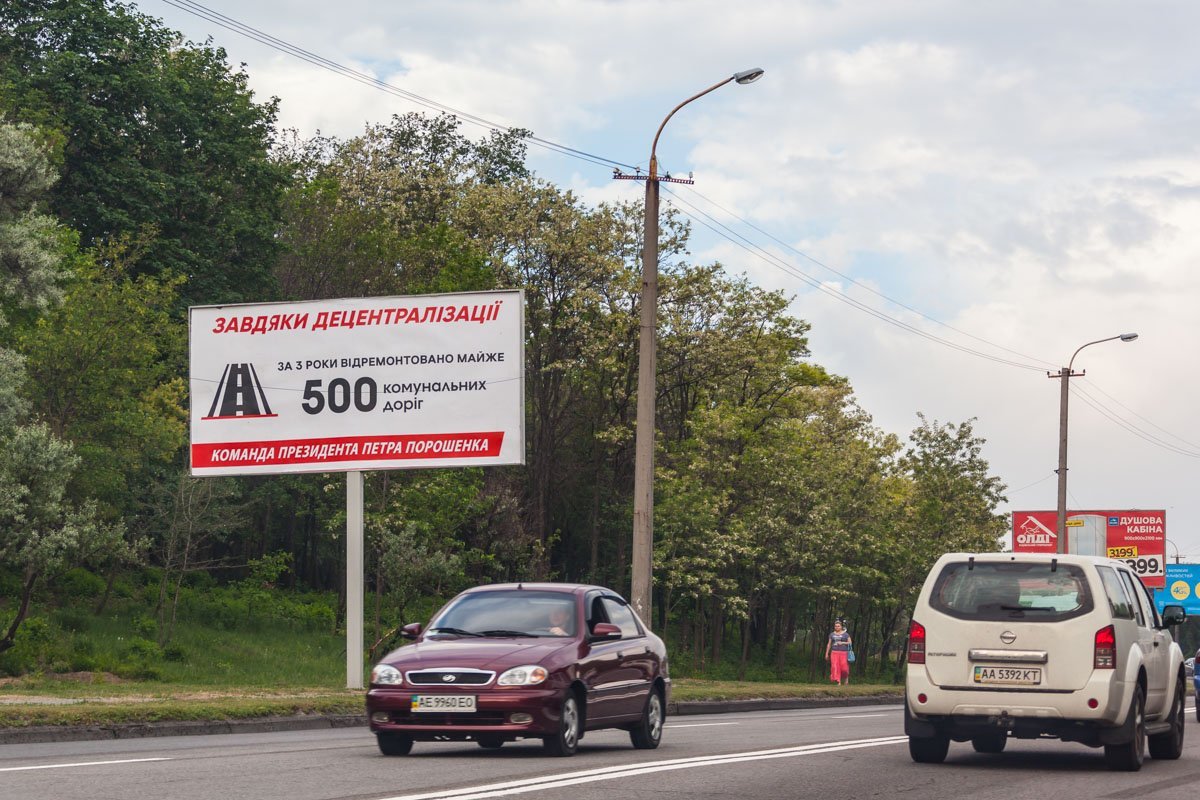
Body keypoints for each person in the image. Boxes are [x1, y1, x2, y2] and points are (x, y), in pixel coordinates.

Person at [825, 620, 853, 686]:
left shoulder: (846, 634)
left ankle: (846, 678)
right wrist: (826, 653)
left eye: (838, 626)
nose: (837, 627)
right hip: (834, 652)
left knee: (844, 668)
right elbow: (829, 644)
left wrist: (843, 643)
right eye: (836, 626)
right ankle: (838, 681)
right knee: (835, 667)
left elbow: (850, 642)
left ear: (841, 627)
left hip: (844, 653)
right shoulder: (832, 634)